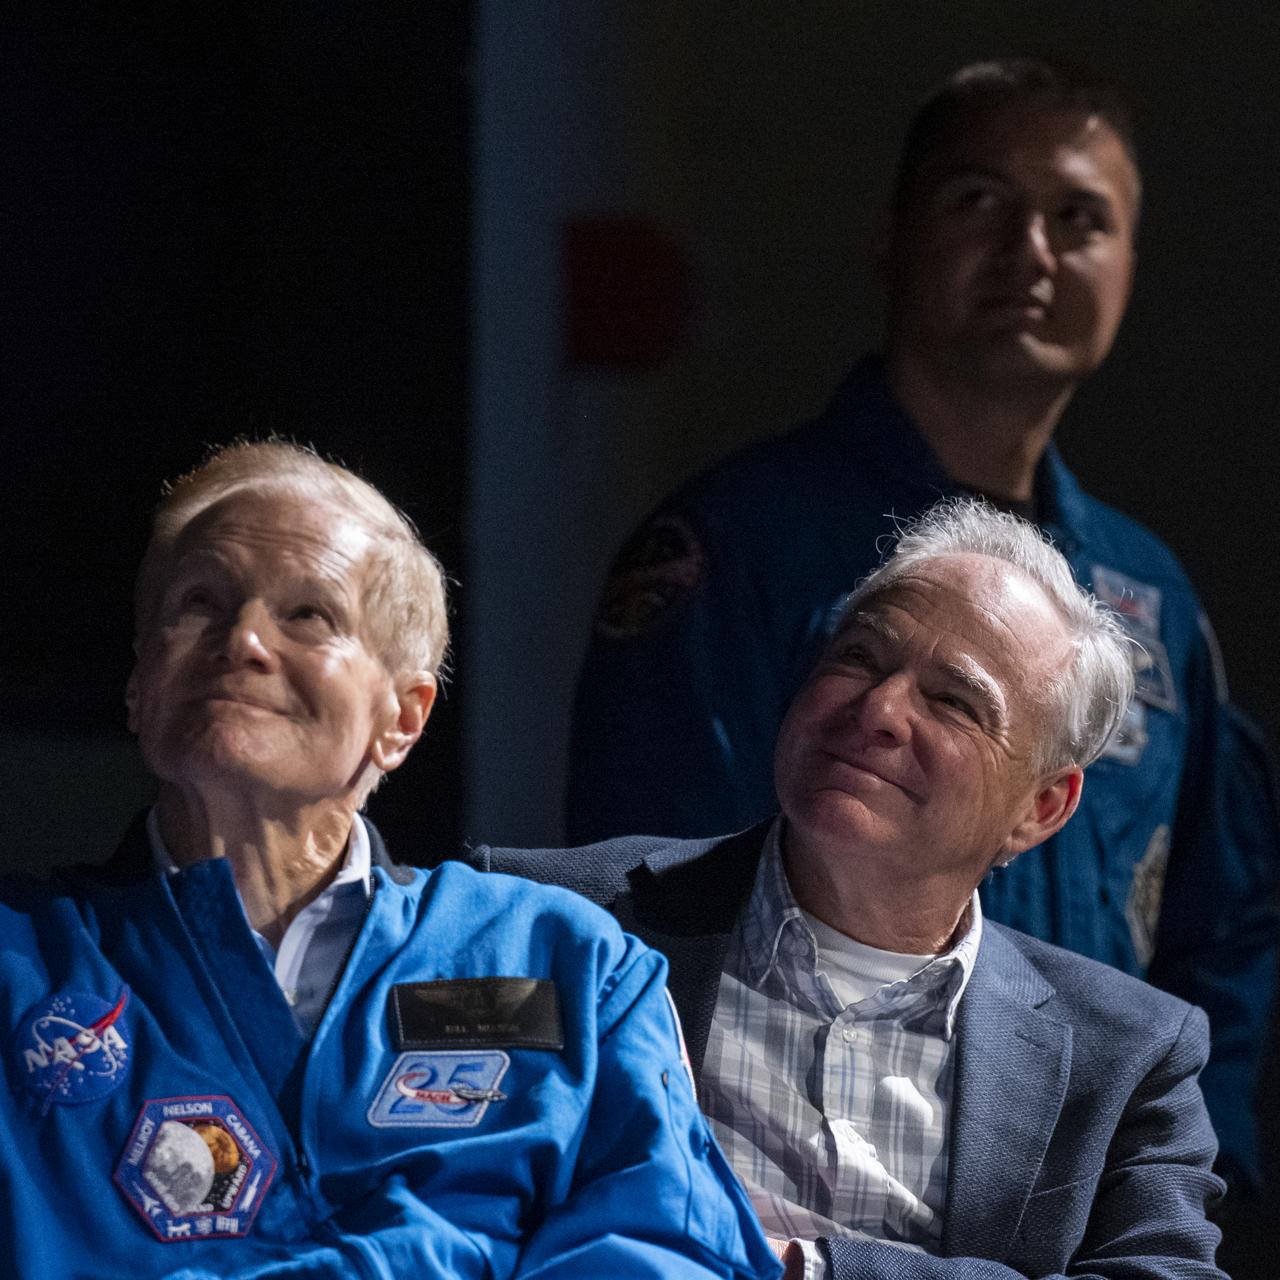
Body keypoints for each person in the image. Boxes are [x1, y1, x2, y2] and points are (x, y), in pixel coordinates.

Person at [566, 58, 1277, 1190]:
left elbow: (1222, 921)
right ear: (891, 235)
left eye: (1077, 219)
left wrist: (1190, 1167)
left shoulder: (1150, 595)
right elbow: (645, 908)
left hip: (1074, 1203)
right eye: (979, 201)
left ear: (1129, 268)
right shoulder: (740, 545)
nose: (1030, 251)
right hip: (788, 1191)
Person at [0, 441, 780, 1280]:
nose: (245, 641)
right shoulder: (21, 966)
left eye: (309, 615)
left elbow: (667, 1244)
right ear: (140, 684)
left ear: (402, 718)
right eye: (199, 602)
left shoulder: (566, 961)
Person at [478, 499, 1227, 1279]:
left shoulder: (1130, 1054)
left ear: (1039, 809)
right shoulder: (540, 918)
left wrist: (809, 1269)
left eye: (953, 702)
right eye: (860, 658)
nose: (879, 710)